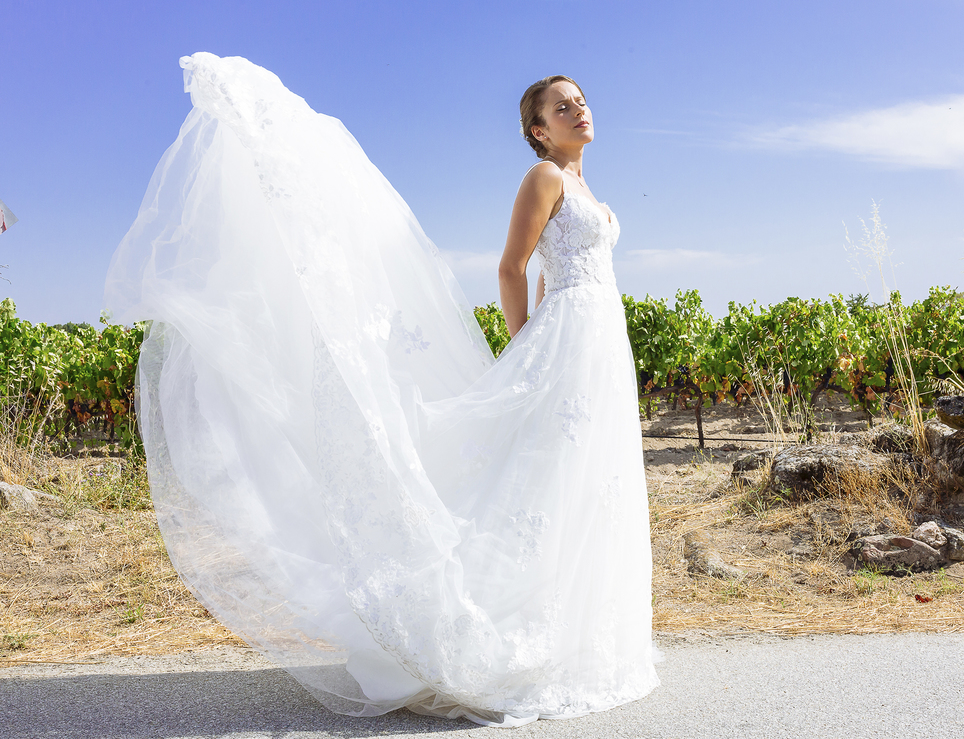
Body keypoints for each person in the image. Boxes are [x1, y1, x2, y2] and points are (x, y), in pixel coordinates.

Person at [104, 54, 659, 727]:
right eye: (562, 106)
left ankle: (581, 637)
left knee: (587, 481)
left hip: (600, 347)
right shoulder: (544, 178)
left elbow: (555, 269)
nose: (579, 109)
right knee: (548, 478)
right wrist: (529, 349)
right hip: (565, 339)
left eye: (580, 101)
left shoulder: (590, 193)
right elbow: (514, 270)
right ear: (539, 131)